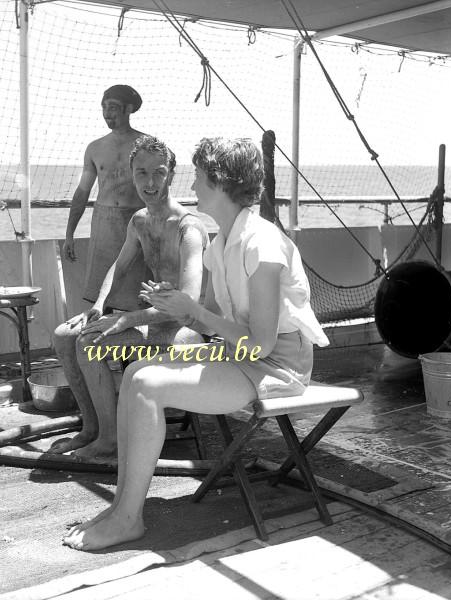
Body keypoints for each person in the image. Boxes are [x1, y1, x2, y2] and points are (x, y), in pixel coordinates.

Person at [62, 137, 329, 551]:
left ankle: (129, 518)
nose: (194, 185)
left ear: (222, 182)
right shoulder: (222, 244)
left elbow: (259, 343)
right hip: (240, 355)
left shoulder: (262, 244)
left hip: (276, 366)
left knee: (151, 386)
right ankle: (122, 507)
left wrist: (195, 314)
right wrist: (175, 307)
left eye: (201, 177)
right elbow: (204, 315)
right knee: (136, 372)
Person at [53, 135, 209, 459]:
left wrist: (128, 318)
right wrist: (97, 307)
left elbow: (190, 302)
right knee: (65, 336)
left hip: (185, 329)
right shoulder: (139, 221)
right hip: (151, 320)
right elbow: (119, 267)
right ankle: (93, 429)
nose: (150, 182)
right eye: (141, 173)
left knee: (90, 344)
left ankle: (110, 439)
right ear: (131, 173)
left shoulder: (188, 228)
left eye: (159, 172)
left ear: (172, 175)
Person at [63, 84, 150, 309]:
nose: (107, 113)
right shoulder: (95, 148)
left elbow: (160, 189)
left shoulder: (147, 146)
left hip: (138, 222)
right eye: (104, 107)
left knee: (138, 294)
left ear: (128, 109)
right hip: (104, 224)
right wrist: (69, 234)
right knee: (103, 296)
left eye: (113, 107)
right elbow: (83, 191)